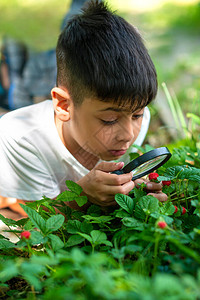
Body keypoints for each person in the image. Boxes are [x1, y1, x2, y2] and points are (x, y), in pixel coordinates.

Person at [0, 0, 167, 219]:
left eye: (137, 114)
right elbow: (36, 218)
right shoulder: (19, 137)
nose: (128, 135)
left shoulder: (137, 123)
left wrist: (137, 194)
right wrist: (83, 198)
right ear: (63, 105)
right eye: (109, 120)